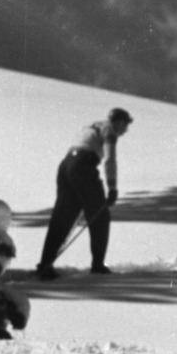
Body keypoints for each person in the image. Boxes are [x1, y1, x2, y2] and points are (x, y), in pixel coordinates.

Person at [34, 106, 133, 278]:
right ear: (119, 122)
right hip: (84, 165)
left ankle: (45, 264)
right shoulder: (109, 130)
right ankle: (98, 266)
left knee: (63, 217)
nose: (125, 131)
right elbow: (110, 159)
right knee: (101, 216)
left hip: (66, 165)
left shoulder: (92, 127)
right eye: (125, 126)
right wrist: (112, 187)